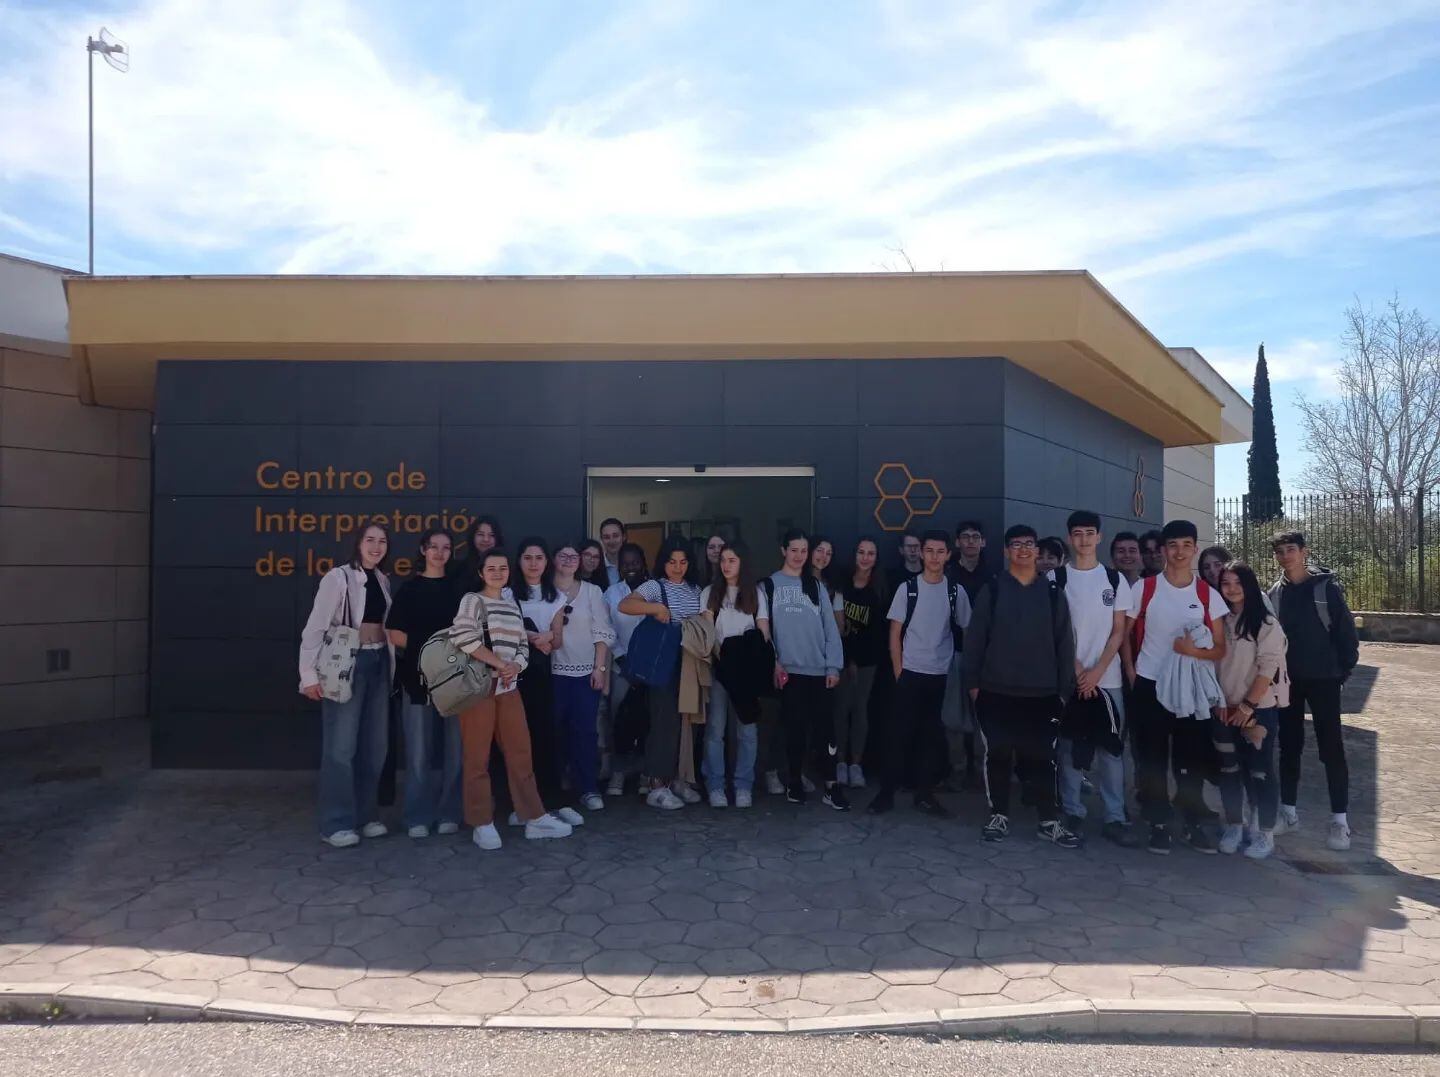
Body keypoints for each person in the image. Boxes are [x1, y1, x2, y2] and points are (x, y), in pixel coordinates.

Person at [962, 525, 1080, 848]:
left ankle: (1049, 820)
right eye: (1017, 544)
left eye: (1030, 544)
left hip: (1042, 695)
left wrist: (1062, 692)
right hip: (995, 692)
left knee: (1043, 758)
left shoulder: (1053, 593)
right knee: (997, 755)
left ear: (1037, 551)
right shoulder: (994, 589)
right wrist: (973, 685)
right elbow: (975, 640)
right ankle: (998, 814)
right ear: (1006, 550)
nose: (1024, 550)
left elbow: (1064, 645)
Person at [448, 549, 573, 849]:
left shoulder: (510, 604)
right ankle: (482, 822)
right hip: (478, 688)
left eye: (502, 568)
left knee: (520, 752)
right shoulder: (472, 601)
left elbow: (522, 645)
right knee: (477, 757)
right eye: (491, 568)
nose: (497, 572)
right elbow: (463, 637)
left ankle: (533, 817)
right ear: (481, 572)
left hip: (508, 687)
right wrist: (499, 663)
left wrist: (515, 665)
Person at [1127, 519, 1230, 855]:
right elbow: (1124, 635)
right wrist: (1131, 672)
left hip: (1189, 692)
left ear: (1195, 548)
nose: (1180, 551)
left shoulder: (1207, 595)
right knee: (1153, 759)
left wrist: (1191, 652)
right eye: (1173, 545)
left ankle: (1192, 821)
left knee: (1189, 760)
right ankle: (1159, 823)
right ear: (1164, 550)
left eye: (1187, 545)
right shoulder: (1144, 589)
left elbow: (1219, 648)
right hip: (1149, 686)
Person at [299, 524, 395, 848]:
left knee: (375, 746)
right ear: (357, 544)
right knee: (341, 747)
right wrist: (308, 676)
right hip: (346, 665)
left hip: (379, 663)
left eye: (382, 541)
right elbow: (315, 628)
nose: (376, 546)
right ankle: (336, 822)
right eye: (370, 540)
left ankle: (366, 815)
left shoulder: (382, 580)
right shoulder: (337, 578)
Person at [870, 529, 972, 817]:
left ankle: (924, 795)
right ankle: (886, 792)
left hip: (941, 675)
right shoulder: (908, 588)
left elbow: (968, 628)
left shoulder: (955, 591)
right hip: (910, 673)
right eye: (930, 551)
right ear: (922, 553)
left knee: (930, 737)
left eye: (941, 551)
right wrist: (899, 670)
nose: (935, 557)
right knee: (897, 734)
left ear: (948, 555)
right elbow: (895, 632)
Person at [1269, 530, 1359, 850]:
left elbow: (1346, 634)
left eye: (1290, 549)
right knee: (1289, 746)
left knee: (1331, 748)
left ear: (1304, 551)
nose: (1285, 556)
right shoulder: (1276, 594)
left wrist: (1342, 670)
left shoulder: (1327, 589)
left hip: (1324, 680)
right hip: (1289, 682)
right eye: (1280, 551)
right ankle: (1289, 813)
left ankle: (1339, 822)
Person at [1054, 511, 1136, 846]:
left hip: (1108, 679)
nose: (1084, 539)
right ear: (1070, 538)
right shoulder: (1056, 579)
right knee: (1069, 747)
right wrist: (1078, 672)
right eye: (1077, 533)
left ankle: (1115, 815)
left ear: (1100, 537)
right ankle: (1072, 810)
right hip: (1068, 679)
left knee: (1111, 751)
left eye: (1090, 533)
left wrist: (1098, 671)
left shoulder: (1115, 581)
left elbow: (1119, 632)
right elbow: (1055, 632)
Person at [384, 528, 463, 839]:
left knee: (455, 753)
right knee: (418, 754)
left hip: (455, 683)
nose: (440, 553)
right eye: (434, 547)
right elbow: (394, 633)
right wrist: (431, 650)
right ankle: (417, 816)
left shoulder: (459, 591)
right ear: (423, 550)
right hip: (416, 681)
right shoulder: (410, 589)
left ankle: (449, 813)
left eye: (445, 548)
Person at [765, 529, 848, 810]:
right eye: (794, 550)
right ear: (783, 551)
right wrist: (774, 661)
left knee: (826, 733)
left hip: (820, 671)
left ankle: (831, 786)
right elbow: (765, 632)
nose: (799, 556)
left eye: (803, 550)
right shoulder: (768, 586)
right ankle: (795, 781)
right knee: (794, 731)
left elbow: (831, 630)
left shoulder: (816, 586)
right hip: (789, 672)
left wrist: (834, 666)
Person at [620, 536, 705, 810]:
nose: (677, 567)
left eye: (683, 562)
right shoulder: (655, 586)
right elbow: (626, 604)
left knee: (686, 723)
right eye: (672, 562)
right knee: (663, 720)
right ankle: (657, 784)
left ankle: (678, 779)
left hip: (690, 660)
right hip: (663, 662)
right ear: (663, 563)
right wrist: (655, 608)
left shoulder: (696, 589)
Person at [1214, 561, 1288, 860]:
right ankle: (1234, 825)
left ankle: (1264, 832)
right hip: (1222, 710)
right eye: (1225, 583)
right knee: (1228, 770)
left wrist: (1248, 705)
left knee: (1260, 772)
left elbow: (1268, 667)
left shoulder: (1266, 624)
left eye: (1237, 583)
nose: (1231, 589)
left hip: (1256, 712)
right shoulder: (1220, 621)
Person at [510, 537, 584, 828]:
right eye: (528, 557)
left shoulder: (555, 597)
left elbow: (557, 639)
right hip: (511, 676)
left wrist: (546, 639)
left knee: (544, 739)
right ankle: (519, 803)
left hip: (541, 677)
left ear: (546, 562)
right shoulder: (506, 594)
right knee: (516, 743)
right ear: (519, 561)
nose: (533, 563)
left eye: (539, 558)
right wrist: (532, 637)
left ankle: (551, 801)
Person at [699, 542, 771, 807]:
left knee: (748, 730)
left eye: (733, 560)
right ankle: (715, 784)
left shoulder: (756, 593)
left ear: (743, 562)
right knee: (715, 729)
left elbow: (763, 630)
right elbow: (706, 631)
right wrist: (720, 658)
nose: (727, 565)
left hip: (747, 671)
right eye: (724, 560)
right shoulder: (710, 592)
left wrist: (767, 662)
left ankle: (743, 785)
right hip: (720, 667)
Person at [550, 542, 616, 813]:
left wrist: (599, 669)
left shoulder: (592, 591)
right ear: (553, 560)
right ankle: (555, 789)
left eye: (572, 556)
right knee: (553, 734)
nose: (568, 560)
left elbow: (603, 632)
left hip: (584, 673)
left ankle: (588, 788)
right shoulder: (544, 591)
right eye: (562, 555)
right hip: (552, 674)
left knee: (585, 733)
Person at [946, 521, 995, 788]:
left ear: (983, 542)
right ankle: (957, 768)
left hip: (986, 657)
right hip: (953, 652)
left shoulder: (994, 577)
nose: (970, 542)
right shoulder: (947, 575)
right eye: (965, 537)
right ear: (957, 543)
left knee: (982, 717)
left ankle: (980, 770)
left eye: (976, 537)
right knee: (953, 716)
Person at [835, 538, 886, 789]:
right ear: (854, 555)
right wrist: (848, 659)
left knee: (861, 710)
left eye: (871, 553)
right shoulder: (842, 584)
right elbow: (837, 627)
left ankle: (856, 764)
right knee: (841, 709)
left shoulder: (879, 588)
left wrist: (860, 660)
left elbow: (878, 632)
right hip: (841, 659)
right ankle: (840, 762)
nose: (866, 557)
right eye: (861, 552)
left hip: (869, 661)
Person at [603, 542, 650, 797]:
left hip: (651, 670)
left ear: (643, 563)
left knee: (647, 721)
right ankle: (618, 773)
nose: (631, 567)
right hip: (621, 668)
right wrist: (623, 661)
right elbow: (606, 629)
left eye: (635, 562)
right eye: (625, 563)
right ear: (619, 567)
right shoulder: (611, 593)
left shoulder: (655, 591)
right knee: (619, 720)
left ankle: (644, 772)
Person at [452, 516, 504, 597]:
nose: (486, 539)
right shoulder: (460, 569)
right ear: (473, 537)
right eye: (480, 534)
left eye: (492, 535)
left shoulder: (507, 568)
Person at [809, 535, 846, 632]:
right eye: (819, 550)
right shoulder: (796, 580)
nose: (823, 556)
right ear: (810, 551)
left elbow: (840, 627)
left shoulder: (834, 586)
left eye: (828, 553)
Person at [599, 518, 627, 587]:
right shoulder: (597, 566)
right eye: (606, 537)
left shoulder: (633, 565)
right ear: (601, 539)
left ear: (623, 537)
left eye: (615, 536)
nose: (612, 541)